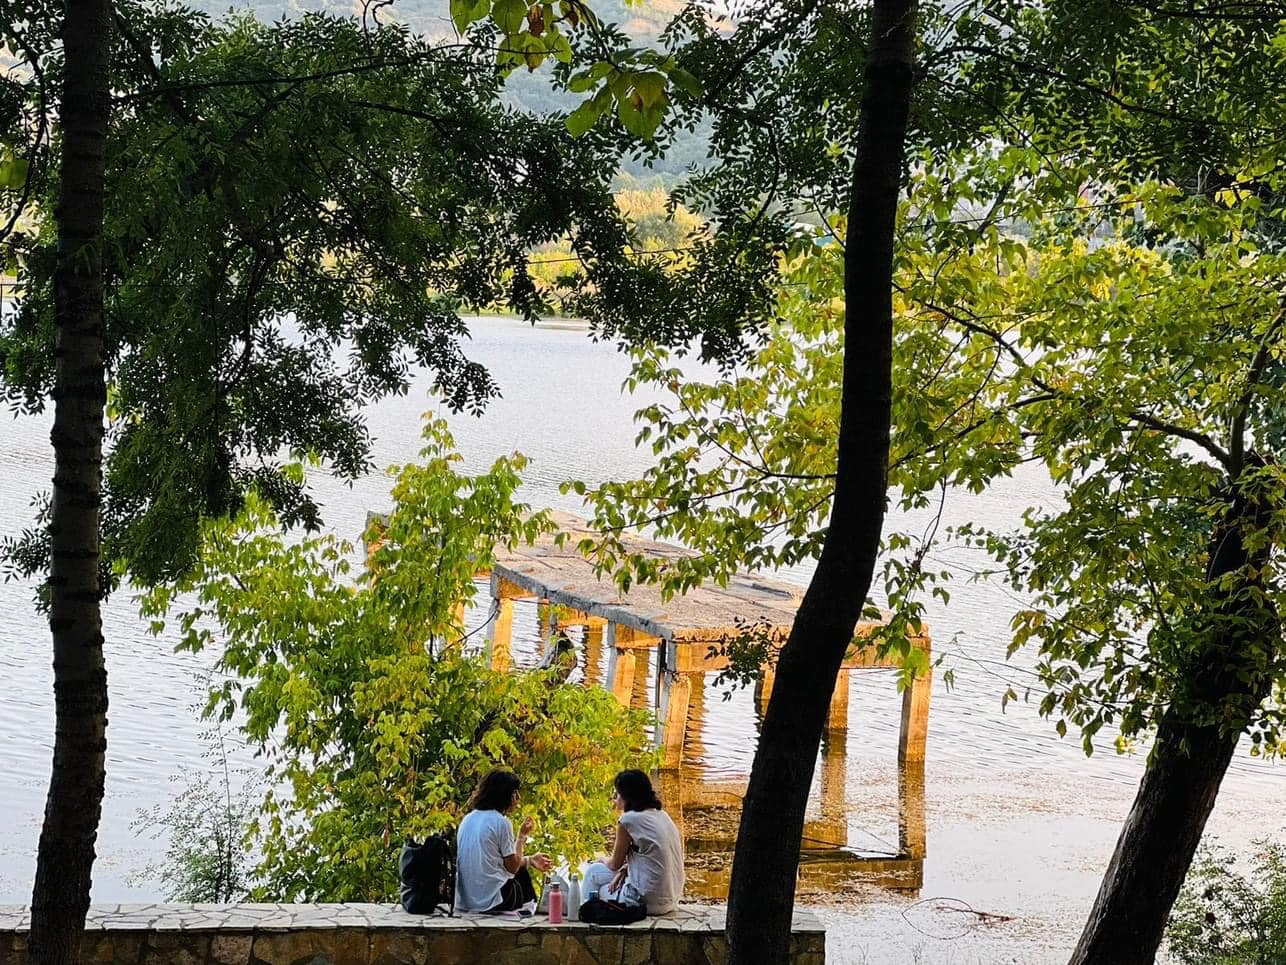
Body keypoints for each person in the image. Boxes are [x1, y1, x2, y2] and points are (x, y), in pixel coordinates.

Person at [582, 769, 684, 914]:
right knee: (602, 876)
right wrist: (625, 869)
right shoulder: (662, 815)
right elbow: (652, 855)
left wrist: (601, 859)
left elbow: (614, 864)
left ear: (626, 797)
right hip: (672, 898)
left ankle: (584, 914)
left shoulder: (628, 820)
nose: (615, 798)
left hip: (648, 902)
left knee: (593, 874)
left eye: (617, 794)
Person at [454, 770, 552, 913]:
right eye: (515, 793)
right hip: (491, 902)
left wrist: (530, 860)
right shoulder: (501, 822)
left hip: (466, 901)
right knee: (521, 873)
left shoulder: (468, 819)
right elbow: (513, 867)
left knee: (517, 869)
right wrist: (521, 837)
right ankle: (527, 911)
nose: (518, 798)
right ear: (506, 795)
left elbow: (495, 862)